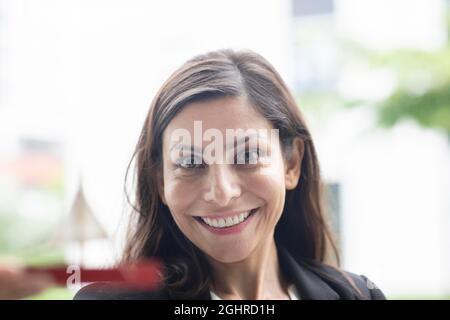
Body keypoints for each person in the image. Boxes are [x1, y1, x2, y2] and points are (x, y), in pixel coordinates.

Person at [75, 49, 386, 300]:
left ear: (291, 164)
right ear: (160, 181)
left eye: (247, 156)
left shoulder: (358, 295)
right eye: (191, 163)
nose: (222, 192)